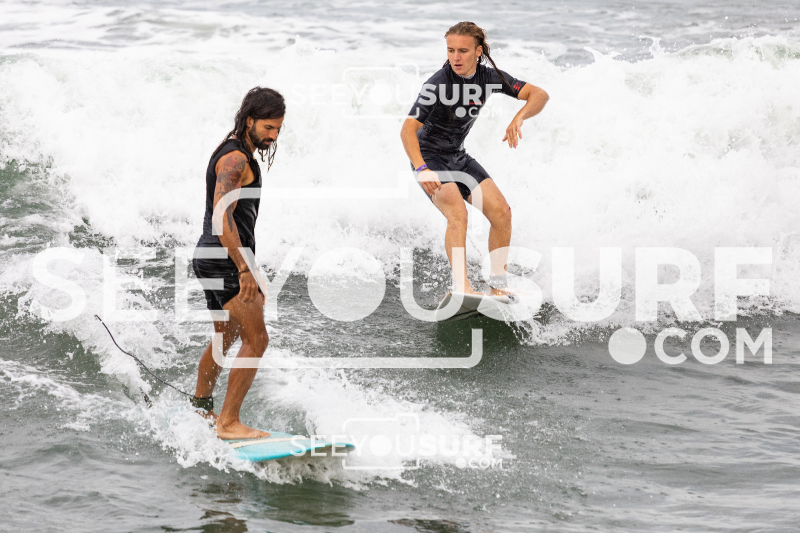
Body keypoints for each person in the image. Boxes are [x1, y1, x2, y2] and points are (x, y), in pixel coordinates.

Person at [400, 21, 549, 296]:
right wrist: (421, 168)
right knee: (458, 213)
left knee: (502, 214)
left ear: (478, 51)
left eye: (463, 51)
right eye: (451, 50)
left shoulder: (489, 78)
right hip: (429, 159)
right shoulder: (437, 84)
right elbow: (407, 130)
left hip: (457, 156)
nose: (456, 57)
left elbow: (539, 95)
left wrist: (519, 117)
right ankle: (463, 288)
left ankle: (497, 288)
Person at [191, 87, 285, 440]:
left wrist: (251, 268)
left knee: (226, 335)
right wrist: (244, 269)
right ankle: (229, 423)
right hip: (224, 259)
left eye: (278, 129)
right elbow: (222, 217)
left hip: (213, 256)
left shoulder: (235, 150)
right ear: (249, 120)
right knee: (257, 340)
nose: (273, 135)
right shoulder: (235, 160)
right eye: (268, 127)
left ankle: (201, 408)